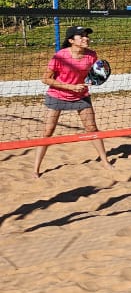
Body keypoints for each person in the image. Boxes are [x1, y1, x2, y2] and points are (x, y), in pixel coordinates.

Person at [32, 25, 113, 178]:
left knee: (92, 128)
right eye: (81, 36)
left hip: (80, 96)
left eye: (86, 35)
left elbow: (93, 74)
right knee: (47, 132)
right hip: (57, 95)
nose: (86, 38)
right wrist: (70, 86)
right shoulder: (60, 56)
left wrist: (88, 83)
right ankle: (36, 169)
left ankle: (104, 161)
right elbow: (45, 78)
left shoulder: (91, 55)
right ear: (71, 40)